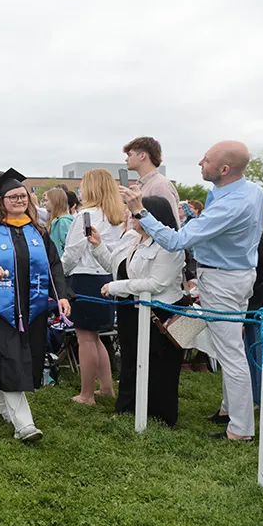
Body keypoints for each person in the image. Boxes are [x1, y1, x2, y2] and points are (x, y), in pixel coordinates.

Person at [121, 141, 263, 440]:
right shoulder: (252, 190)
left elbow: (176, 241)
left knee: (231, 353)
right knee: (230, 346)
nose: (200, 162)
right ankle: (230, 409)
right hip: (235, 274)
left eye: (207, 160)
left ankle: (240, 430)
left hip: (224, 279)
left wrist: (140, 212)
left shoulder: (232, 204)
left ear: (224, 169)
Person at [0, 168, 71, 443]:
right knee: (7, 357)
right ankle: (25, 425)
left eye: (23, 195)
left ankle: (3, 403)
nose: (19, 200)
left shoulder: (38, 231)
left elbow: (53, 265)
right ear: (0, 201)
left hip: (33, 308)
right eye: (13, 196)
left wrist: (62, 296)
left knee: (22, 358)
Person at [88, 197, 186, 426]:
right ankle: (127, 408)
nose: (130, 217)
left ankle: (160, 415)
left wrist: (116, 288)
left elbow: (157, 283)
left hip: (160, 314)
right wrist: (98, 246)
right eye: (131, 213)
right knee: (131, 360)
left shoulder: (170, 245)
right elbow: (116, 267)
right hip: (131, 311)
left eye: (135, 213)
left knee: (160, 364)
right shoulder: (133, 239)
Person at [62, 169, 126, 406]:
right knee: (96, 336)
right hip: (106, 278)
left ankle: (87, 394)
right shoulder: (115, 215)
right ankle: (107, 387)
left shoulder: (85, 215)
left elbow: (73, 250)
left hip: (85, 277)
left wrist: (60, 272)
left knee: (85, 338)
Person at [123, 136, 181, 224]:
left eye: (130, 155)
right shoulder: (142, 184)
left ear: (142, 156)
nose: (126, 159)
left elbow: (170, 225)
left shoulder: (160, 185)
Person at [244, 209, 263, 405]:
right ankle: (256, 395)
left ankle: (260, 396)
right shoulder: (260, 234)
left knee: (258, 352)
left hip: (259, 302)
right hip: (255, 300)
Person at [44, 188, 73, 256]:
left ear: (54, 201)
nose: (44, 204)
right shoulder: (54, 221)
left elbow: (71, 249)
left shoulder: (64, 222)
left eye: (46, 200)